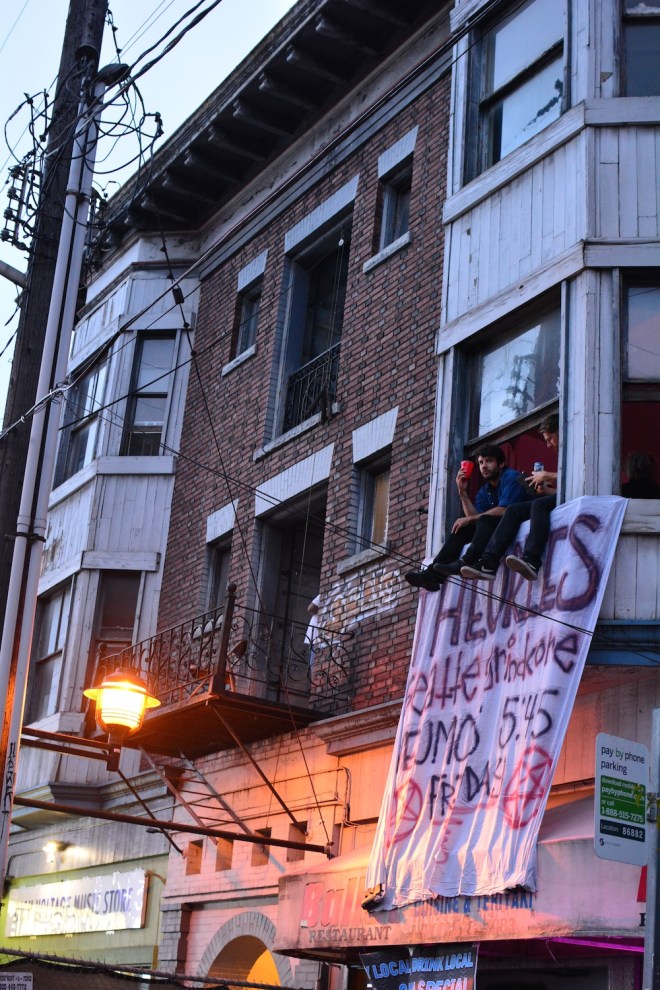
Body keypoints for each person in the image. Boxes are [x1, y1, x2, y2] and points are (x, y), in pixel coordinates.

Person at [405, 444, 533, 592]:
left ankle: (467, 561)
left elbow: (505, 510)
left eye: (489, 461)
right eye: (481, 462)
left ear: (501, 463)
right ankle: (432, 575)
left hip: (518, 526)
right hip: (495, 529)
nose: (484, 466)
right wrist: (462, 492)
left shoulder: (511, 477)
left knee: (479, 520)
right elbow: (475, 520)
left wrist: (470, 519)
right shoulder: (485, 490)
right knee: (464, 527)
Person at [460, 413, 559, 583]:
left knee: (537, 505)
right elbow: (563, 490)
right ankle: (488, 563)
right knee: (513, 509)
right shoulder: (484, 490)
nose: (548, 444)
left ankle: (532, 560)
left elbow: (579, 476)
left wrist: (547, 475)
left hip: (572, 497)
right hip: (561, 497)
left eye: (550, 439)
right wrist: (546, 490)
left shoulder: (575, 446)